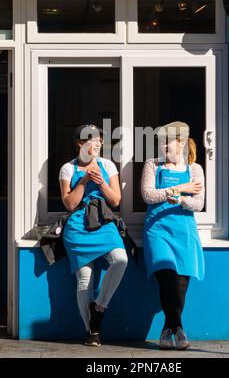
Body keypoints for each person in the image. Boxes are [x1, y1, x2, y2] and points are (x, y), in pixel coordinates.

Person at [59, 124, 128, 347]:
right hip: (78, 226)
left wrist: (100, 182)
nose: (97, 143)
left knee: (120, 259)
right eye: (91, 139)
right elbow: (69, 203)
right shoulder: (67, 169)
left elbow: (116, 200)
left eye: (99, 139)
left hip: (103, 222)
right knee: (84, 279)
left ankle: (99, 308)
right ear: (80, 143)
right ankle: (92, 331)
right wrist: (84, 180)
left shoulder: (108, 165)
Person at [141, 121, 205, 350]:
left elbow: (198, 204)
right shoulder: (152, 165)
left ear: (181, 143)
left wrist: (181, 198)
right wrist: (181, 187)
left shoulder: (195, 169)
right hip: (157, 231)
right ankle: (178, 328)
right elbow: (148, 195)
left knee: (179, 283)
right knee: (167, 275)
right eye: (161, 141)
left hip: (184, 232)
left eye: (167, 141)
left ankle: (170, 329)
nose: (163, 146)